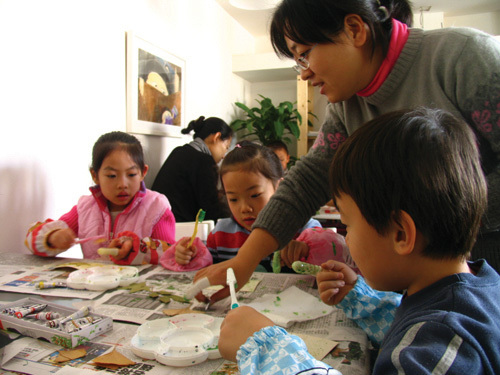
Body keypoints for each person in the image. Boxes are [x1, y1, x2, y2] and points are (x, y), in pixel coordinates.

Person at [194, 0, 500, 302]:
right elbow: (310, 178)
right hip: (412, 274)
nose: (303, 73)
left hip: (480, 268)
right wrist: (243, 262)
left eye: (304, 55)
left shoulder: (463, 57)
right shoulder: (346, 103)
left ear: (354, 29)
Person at [218, 108, 500, 374]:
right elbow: (406, 324)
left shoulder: (443, 342)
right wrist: (359, 297)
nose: (347, 238)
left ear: (401, 234)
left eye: (348, 226)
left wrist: (268, 346)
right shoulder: (465, 292)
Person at [160, 141, 354, 273]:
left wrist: (304, 249)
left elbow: (327, 262)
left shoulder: (305, 229)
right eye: (233, 199)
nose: (244, 208)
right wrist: (190, 256)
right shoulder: (221, 234)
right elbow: (208, 268)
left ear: (280, 188)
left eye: (254, 195)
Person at [25, 131, 175, 265]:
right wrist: (52, 237)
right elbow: (33, 239)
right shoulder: (85, 208)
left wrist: (136, 249)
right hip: (94, 286)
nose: (122, 184)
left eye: (131, 175)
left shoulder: (156, 207)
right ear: (95, 175)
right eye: (111, 176)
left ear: (143, 172)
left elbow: (169, 254)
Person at [151, 116, 233, 222]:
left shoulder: (178, 152)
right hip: (180, 227)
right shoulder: (205, 161)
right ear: (216, 137)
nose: (223, 156)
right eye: (226, 147)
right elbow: (211, 209)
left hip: (157, 223)